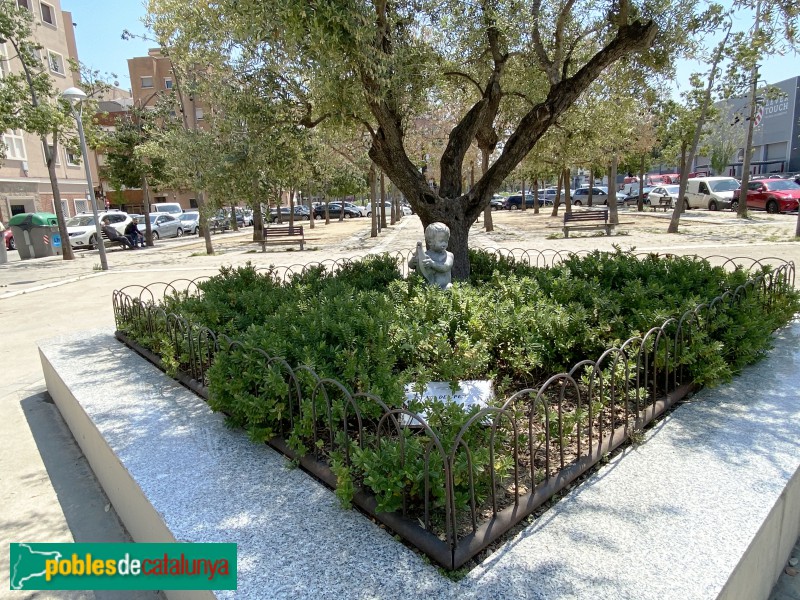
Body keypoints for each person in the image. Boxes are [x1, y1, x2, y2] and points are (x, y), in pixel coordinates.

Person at [408, 222, 454, 289]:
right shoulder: (426, 255)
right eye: (441, 241)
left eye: (446, 241)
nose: (444, 243)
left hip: (445, 287)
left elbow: (445, 267)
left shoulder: (449, 255)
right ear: (430, 242)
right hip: (429, 290)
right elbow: (411, 266)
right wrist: (413, 261)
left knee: (450, 287)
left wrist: (433, 264)